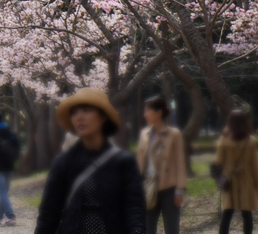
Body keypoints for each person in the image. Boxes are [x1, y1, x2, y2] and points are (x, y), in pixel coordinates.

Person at [35, 88, 147, 234]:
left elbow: (134, 206)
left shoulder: (123, 162)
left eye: (86, 110)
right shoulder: (63, 163)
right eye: (74, 112)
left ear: (103, 116)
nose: (79, 117)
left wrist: (137, 231)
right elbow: (49, 214)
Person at [136, 96, 187, 234]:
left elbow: (180, 163)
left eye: (148, 110)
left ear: (158, 112)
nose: (145, 114)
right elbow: (140, 163)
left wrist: (179, 190)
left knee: (172, 229)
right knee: (147, 228)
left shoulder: (174, 134)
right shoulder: (144, 134)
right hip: (148, 186)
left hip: (169, 189)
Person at [216, 110, 258, 234]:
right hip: (246, 179)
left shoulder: (224, 140)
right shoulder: (251, 140)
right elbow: (254, 165)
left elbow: (219, 160)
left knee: (227, 212)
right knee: (247, 213)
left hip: (228, 179)